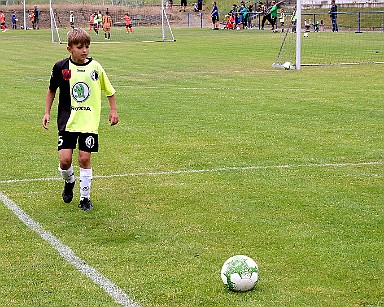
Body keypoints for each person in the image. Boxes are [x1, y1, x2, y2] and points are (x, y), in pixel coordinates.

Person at [42, 28, 119, 211]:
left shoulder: (96, 68)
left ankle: (85, 198)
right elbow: (51, 90)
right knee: (65, 160)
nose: (84, 50)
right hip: (67, 121)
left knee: (84, 159)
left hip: (89, 123)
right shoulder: (61, 67)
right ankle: (69, 182)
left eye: (87, 46)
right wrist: (47, 113)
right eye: (80, 47)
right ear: (69, 48)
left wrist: (113, 110)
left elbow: (109, 91)